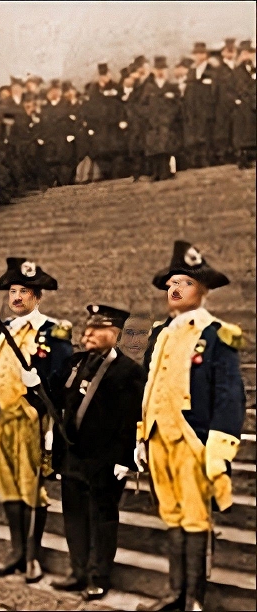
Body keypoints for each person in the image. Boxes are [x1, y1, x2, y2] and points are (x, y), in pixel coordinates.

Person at [134, 242, 246, 612]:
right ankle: (175, 592)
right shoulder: (159, 334)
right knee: (171, 516)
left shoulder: (216, 334)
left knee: (196, 519)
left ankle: (193, 600)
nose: (175, 289)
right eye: (171, 284)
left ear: (203, 290)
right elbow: (149, 386)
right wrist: (141, 435)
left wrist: (219, 451)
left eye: (184, 283)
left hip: (193, 440)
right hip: (158, 439)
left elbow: (230, 397)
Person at [0, 257, 73, 584]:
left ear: (37, 297)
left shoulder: (52, 331)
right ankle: (16, 553)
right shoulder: (0, 332)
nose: (17, 297)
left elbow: (62, 377)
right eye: (13, 291)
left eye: (25, 292)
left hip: (28, 418)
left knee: (31, 486)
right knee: (7, 485)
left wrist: (38, 390)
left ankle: (33, 556)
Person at [50, 304, 147, 601]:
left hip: (105, 461)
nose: (88, 333)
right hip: (73, 456)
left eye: (98, 329)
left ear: (115, 334)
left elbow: (132, 419)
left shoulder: (128, 372)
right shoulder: (76, 363)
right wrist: (31, 380)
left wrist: (125, 458)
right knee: (74, 517)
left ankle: (98, 576)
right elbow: (51, 394)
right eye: (88, 327)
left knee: (101, 518)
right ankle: (78, 571)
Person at [140, 56, 182, 181]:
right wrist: (148, 116)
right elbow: (142, 105)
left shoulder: (171, 87)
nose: (160, 72)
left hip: (167, 123)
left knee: (166, 148)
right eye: (158, 69)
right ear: (154, 70)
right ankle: (156, 172)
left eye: (163, 69)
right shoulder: (148, 87)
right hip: (153, 123)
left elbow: (178, 104)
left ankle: (167, 172)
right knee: (154, 149)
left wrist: (170, 116)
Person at [183, 42, 217, 168]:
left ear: (206, 55)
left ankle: (206, 160)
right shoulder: (192, 71)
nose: (198, 56)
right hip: (193, 108)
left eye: (201, 53)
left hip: (206, 108)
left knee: (206, 135)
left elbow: (214, 91)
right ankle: (195, 161)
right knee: (195, 135)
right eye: (196, 54)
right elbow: (188, 90)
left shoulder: (212, 70)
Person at [213, 38, 238, 165]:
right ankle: (224, 155)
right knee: (224, 130)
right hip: (223, 106)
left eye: (232, 51)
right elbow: (215, 91)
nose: (230, 54)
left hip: (237, 105)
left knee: (236, 129)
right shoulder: (218, 71)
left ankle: (236, 153)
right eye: (228, 51)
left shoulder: (238, 69)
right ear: (223, 53)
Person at [232, 40, 256, 169]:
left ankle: (250, 157)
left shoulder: (253, 69)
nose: (249, 56)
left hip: (252, 104)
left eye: (251, 53)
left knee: (251, 133)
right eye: (246, 53)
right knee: (243, 134)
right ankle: (242, 159)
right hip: (243, 106)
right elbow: (240, 88)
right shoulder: (237, 71)